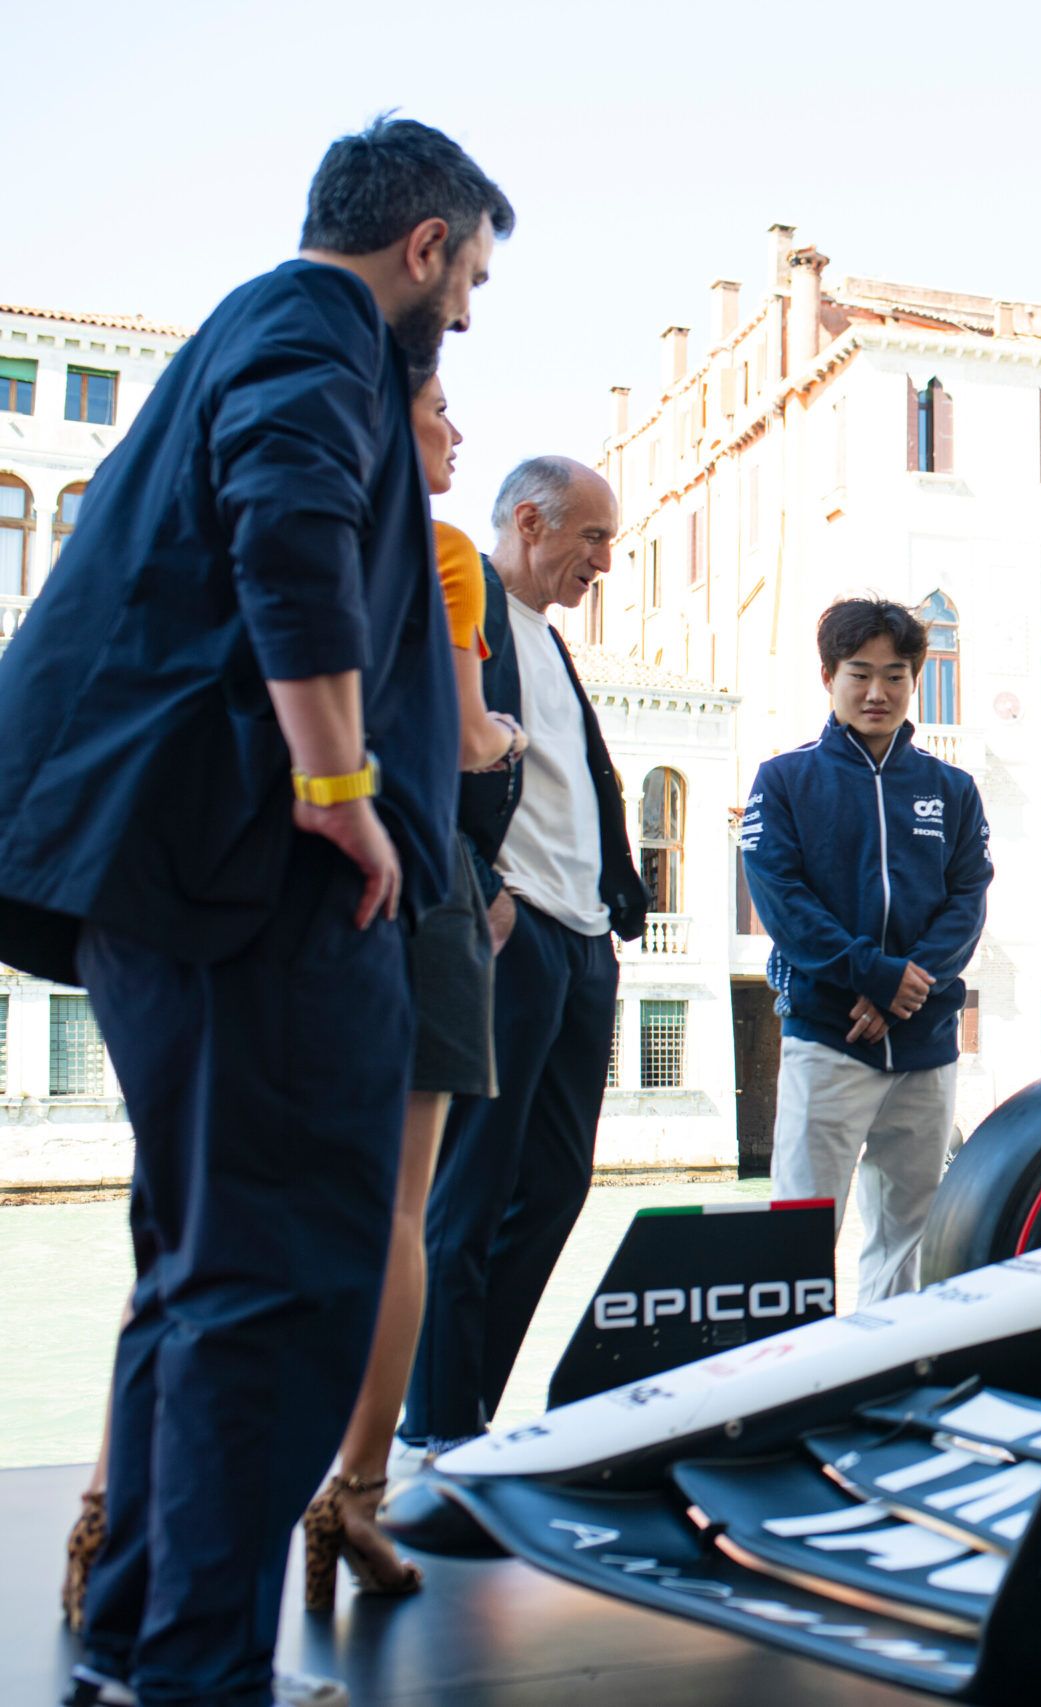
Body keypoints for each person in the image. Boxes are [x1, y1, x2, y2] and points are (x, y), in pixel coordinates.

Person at [0, 116, 510, 1707]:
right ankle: (200, 1668)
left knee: (201, 1266)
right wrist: (341, 781)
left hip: (177, 880)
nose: (466, 317)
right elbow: (288, 522)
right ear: (423, 246)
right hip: (251, 885)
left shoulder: (252, 327)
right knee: (282, 1273)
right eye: (471, 279)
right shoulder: (315, 328)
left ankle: (147, 1638)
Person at [300, 357, 527, 1610]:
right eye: (441, 409)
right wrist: (509, 741)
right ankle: (354, 1499)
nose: (457, 429)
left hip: (291, 880)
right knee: (399, 1212)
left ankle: (113, 1513)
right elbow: (467, 731)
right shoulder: (442, 554)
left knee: (217, 1210)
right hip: (417, 876)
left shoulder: (293, 534)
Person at [403, 455, 646, 1455]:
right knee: (467, 1192)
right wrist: (480, 884)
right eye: (593, 537)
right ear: (532, 523)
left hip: (583, 942)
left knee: (554, 1187)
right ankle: (434, 1429)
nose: (605, 562)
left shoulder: (548, 639)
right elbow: (419, 754)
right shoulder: (463, 612)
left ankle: (468, 1412)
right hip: (513, 932)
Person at [742, 597, 992, 1303]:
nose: (877, 691)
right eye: (859, 674)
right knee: (798, 1234)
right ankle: (791, 1364)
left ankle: (890, 1361)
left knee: (908, 1237)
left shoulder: (952, 789)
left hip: (924, 1042)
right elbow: (783, 903)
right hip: (828, 1036)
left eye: (895, 675)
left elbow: (967, 903)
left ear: (915, 679)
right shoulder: (784, 781)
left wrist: (904, 987)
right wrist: (874, 974)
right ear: (829, 677)